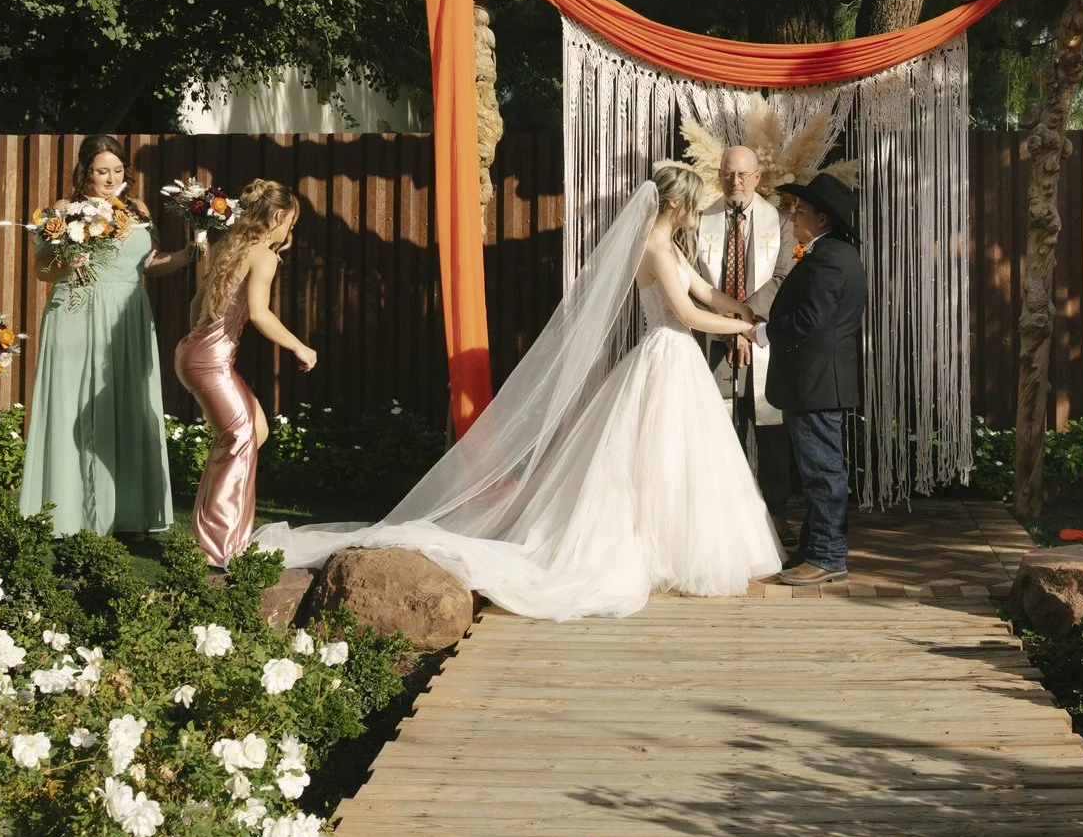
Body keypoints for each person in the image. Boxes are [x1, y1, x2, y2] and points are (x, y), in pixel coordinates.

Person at [252, 160, 782, 618]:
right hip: (667, 353)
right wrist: (744, 331)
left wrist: (743, 309)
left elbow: (705, 292)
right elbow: (687, 313)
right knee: (656, 458)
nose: (697, 212)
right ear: (675, 204)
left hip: (676, 358)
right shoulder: (655, 250)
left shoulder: (670, 246)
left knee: (676, 460)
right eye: (692, 205)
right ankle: (656, 551)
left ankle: (675, 550)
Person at [18, 135, 196, 539]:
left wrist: (187, 255)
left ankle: (127, 512)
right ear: (86, 172)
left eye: (117, 170)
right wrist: (68, 259)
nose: (112, 178)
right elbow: (42, 270)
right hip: (77, 309)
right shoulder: (61, 212)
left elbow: (149, 264)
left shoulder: (137, 209)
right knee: (71, 403)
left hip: (126, 314)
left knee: (127, 402)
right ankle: (64, 513)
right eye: (103, 171)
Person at [178, 178, 318, 569]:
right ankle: (217, 549)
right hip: (210, 360)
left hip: (198, 353)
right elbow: (259, 314)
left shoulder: (230, 246)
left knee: (255, 431)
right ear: (277, 216)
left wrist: (194, 339)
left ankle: (205, 535)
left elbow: (195, 301)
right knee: (239, 438)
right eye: (291, 222)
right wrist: (299, 346)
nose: (290, 230)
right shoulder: (264, 256)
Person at [749, 172, 866, 587]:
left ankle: (828, 556)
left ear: (822, 218)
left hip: (817, 381)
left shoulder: (829, 259)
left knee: (822, 470)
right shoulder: (833, 254)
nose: (793, 213)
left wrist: (762, 332)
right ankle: (813, 549)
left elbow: (809, 321)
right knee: (819, 468)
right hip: (816, 381)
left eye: (801, 210)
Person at [696, 144, 791, 516]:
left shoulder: (781, 221)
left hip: (763, 340)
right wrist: (728, 330)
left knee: (771, 436)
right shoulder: (703, 220)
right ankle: (725, 521)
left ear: (757, 177)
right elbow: (697, 284)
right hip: (715, 344)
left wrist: (745, 323)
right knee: (721, 435)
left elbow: (783, 278)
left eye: (741, 174)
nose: (733, 181)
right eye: (726, 173)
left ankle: (777, 517)